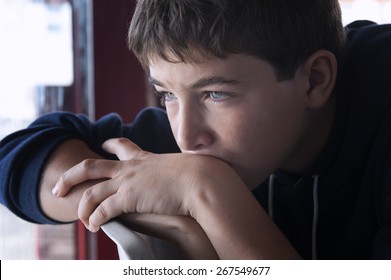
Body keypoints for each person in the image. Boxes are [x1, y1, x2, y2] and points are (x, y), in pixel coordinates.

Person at [1, 0, 391, 259]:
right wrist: (180, 219)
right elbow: (19, 157)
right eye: (167, 94)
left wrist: (205, 191)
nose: (186, 138)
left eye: (216, 94)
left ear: (314, 80)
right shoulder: (210, 138)